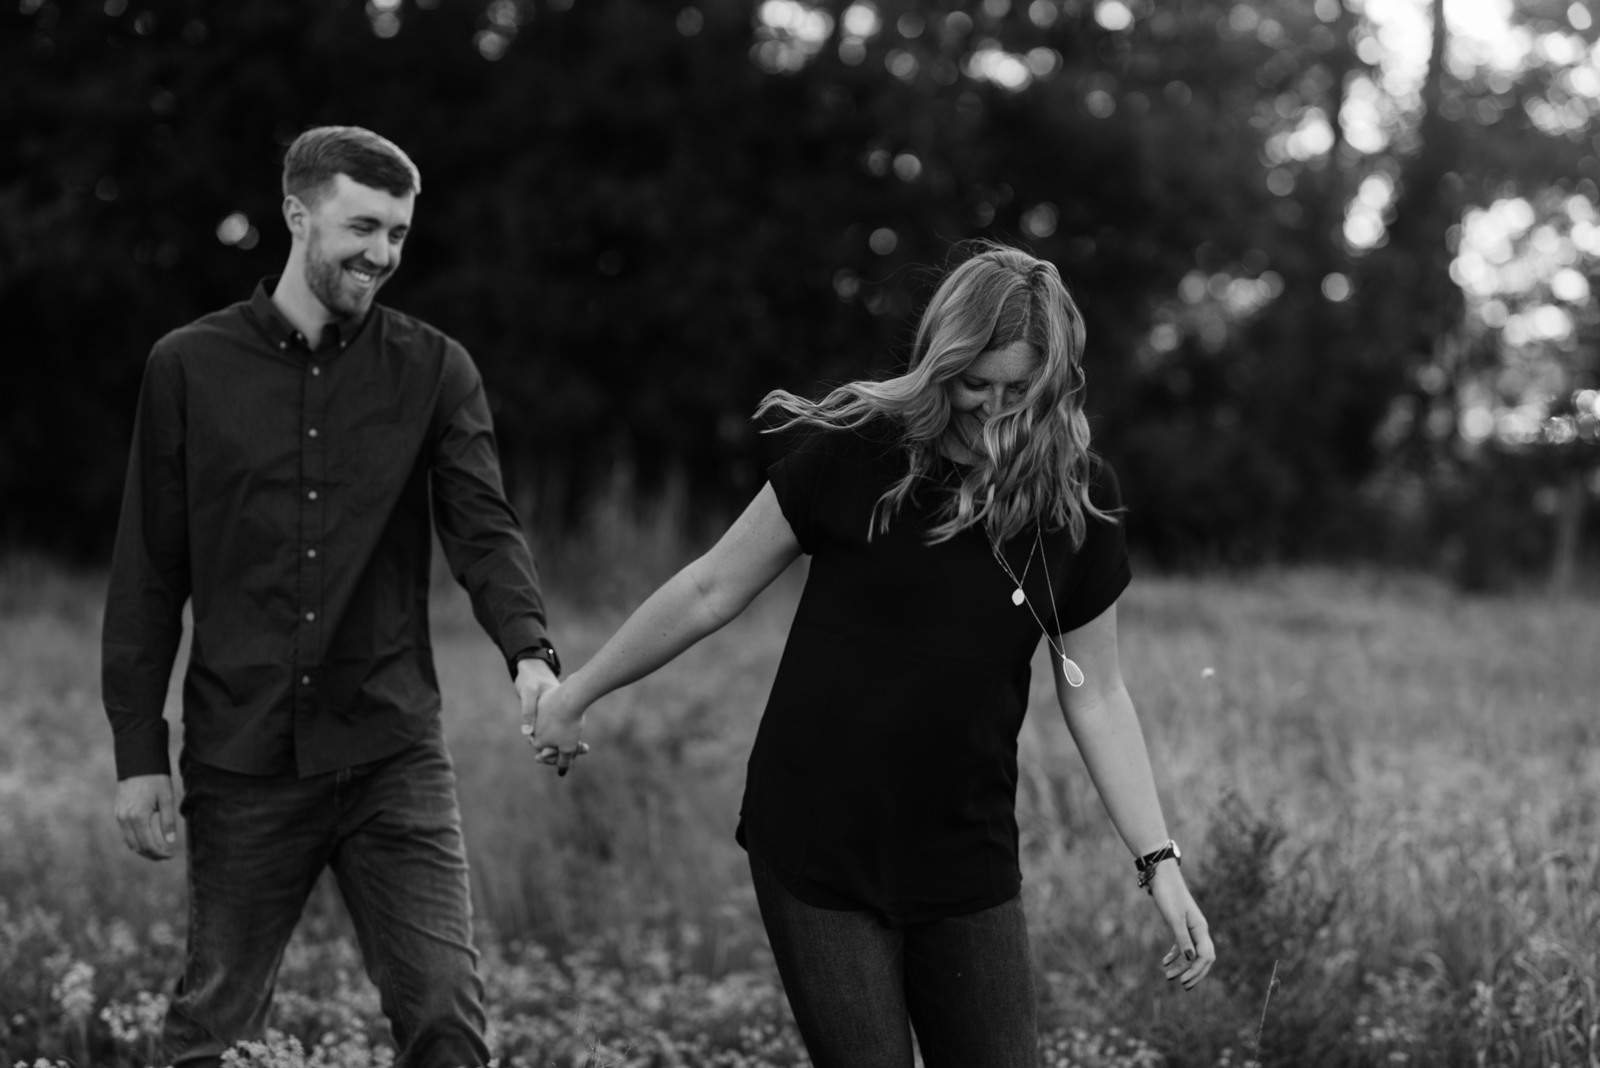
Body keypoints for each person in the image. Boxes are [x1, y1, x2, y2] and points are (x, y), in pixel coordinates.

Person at [527, 243, 1215, 1067]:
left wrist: (1158, 864)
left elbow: (1096, 694)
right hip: (818, 847)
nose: (991, 410)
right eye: (973, 384)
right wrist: (578, 694)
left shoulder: (1078, 499)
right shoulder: (862, 450)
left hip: (964, 857)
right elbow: (713, 587)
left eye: (1016, 390)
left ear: (1053, 379)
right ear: (941, 361)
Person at [101, 125, 564, 1068]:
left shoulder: (437, 370)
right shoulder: (186, 367)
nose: (383, 254)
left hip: (392, 750)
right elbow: (149, 569)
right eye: (364, 227)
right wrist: (139, 750)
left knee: (444, 1020)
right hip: (242, 756)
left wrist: (530, 654)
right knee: (211, 1032)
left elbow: (483, 532)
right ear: (296, 213)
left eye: (398, 232)